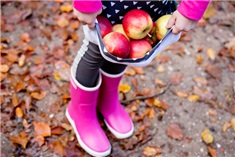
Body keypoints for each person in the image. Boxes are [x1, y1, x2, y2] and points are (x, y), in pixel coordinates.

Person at [66, 0, 210, 156]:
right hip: (108, 7)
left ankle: (107, 101)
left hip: (151, 7)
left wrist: (193, 8)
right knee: (94, 52)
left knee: (125, 50)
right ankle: (81, 112)